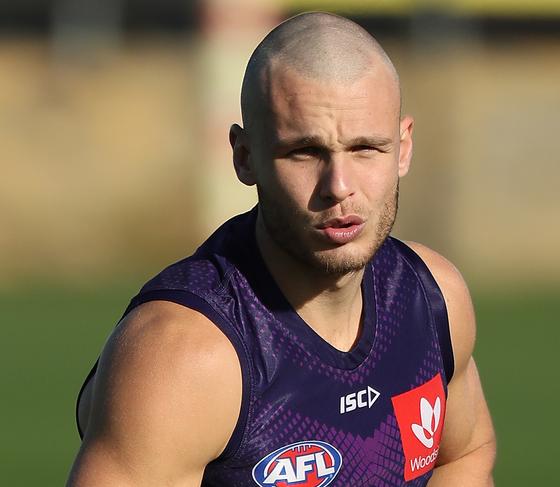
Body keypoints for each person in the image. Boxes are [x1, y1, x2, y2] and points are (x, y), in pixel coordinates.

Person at [67, 11, 496, 487]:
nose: (339, 186)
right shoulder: (185, 355)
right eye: (305, 152)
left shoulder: (433, 299)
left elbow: (464, 454)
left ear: (403, 146)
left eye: (365, 149)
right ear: (245, 156)